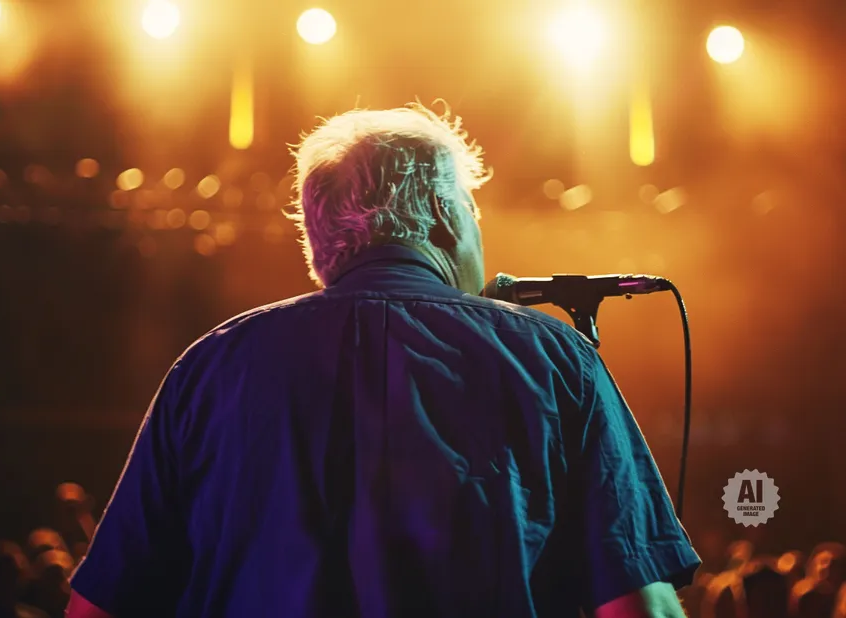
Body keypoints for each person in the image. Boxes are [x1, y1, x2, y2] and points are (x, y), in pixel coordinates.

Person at [66, 103, 701, 617]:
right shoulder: (555, 358)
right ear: (446, 218)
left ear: (319, 241)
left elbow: (99, 607)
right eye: (472, 210)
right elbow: (638, 608)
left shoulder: (208, 369)